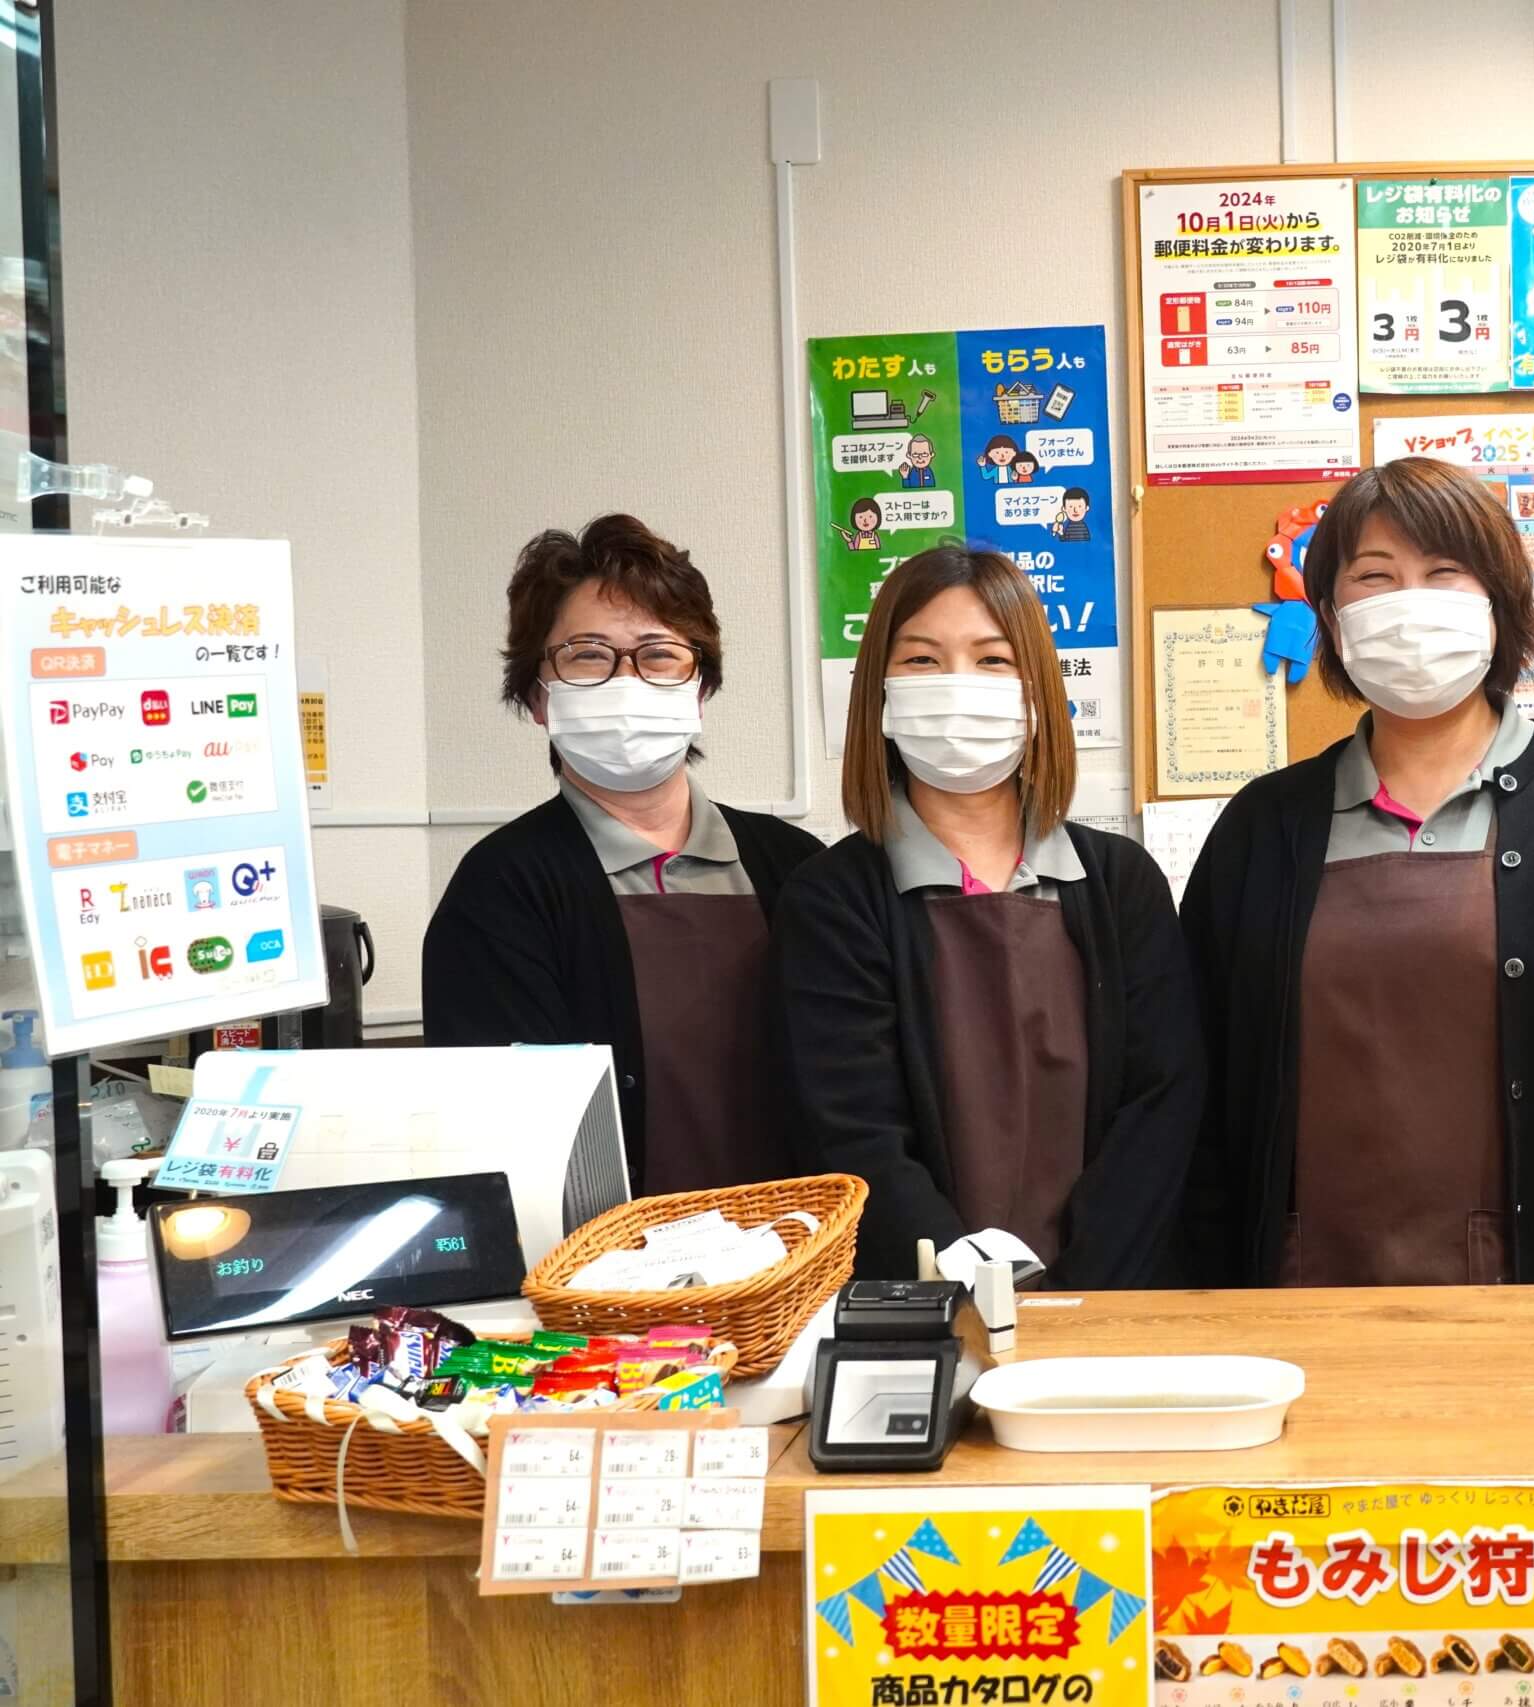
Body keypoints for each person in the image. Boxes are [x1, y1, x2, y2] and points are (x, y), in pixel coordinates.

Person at [1182, 456, 1534, 1288]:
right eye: (1374, 576)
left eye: (1444, 573)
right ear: (1330, 615)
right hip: (1299, 1304)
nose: (1409, 604)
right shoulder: (1263, 828)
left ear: (1499, 604)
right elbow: (1201, 1106)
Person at [774, 544, 1202, 1287]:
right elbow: (853, 1131)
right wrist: (961, 1274)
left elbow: (1161, 1103)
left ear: (1037, 693)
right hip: (922, 1301)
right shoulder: (830, 899)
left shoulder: (1121, 883)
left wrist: (1083, 1285)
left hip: (1111, 1300)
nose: (957, 684)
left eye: (992, 659)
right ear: (879, 694)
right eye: (922, 659)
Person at [423, 513, 825, 1194]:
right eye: (587, 654)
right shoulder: (499, 892)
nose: (626, 679)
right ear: (537, 696)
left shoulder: (796, 866)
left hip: (804, 1246)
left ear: (700, 689)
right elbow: (509, 1143)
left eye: (658, 654)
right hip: (607, 1257)